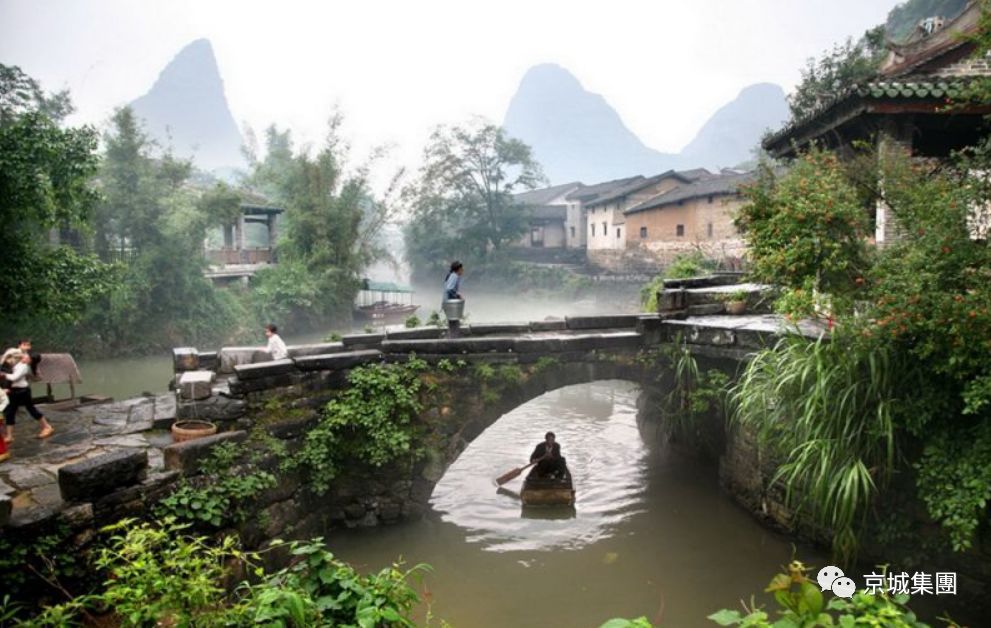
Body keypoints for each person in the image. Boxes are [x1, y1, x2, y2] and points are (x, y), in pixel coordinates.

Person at [2, 349, 55, 442]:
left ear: (30, 361)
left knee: (29, 409)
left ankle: (47, 427)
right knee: (11, 412)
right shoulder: (20, 361)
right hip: (15, 391)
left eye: (27, 357)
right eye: (26, 354)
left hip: (22, 391)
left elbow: (14, 377)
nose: (24, 356)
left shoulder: (24, 367)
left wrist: (3, 375)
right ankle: (9, 436)